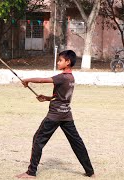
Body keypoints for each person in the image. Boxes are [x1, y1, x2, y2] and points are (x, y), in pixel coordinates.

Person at [16, 50, 95, 178]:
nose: (58, 62)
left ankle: (31, 172)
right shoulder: (71, 78)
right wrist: (46, 98)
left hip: (54, 116)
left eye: (60, 60)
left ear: (67, 62)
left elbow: (42, 80)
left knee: (37, 140)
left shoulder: (62, 77)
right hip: (66, 115)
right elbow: (61, 97)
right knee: (77, 142)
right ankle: (90, 172)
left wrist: (27, 80)